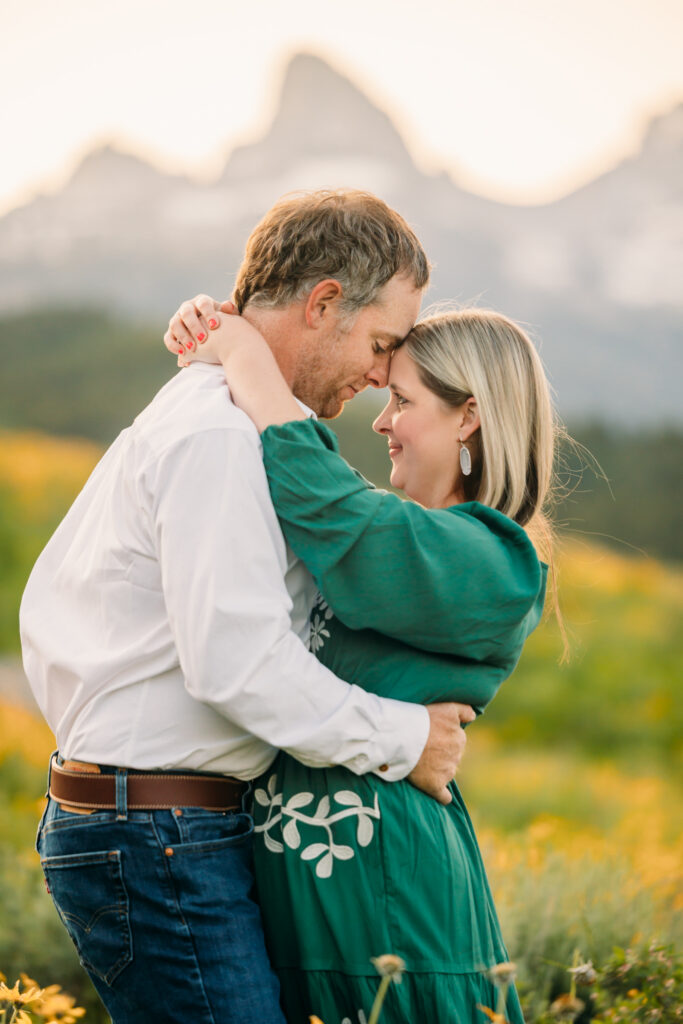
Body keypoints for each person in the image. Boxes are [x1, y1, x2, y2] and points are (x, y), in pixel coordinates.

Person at [19, 190, 477, 1024]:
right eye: (379, 345)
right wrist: (407, 737)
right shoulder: (218, 437)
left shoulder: (230, 418)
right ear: (324, 303)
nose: (379, 375)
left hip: (160, 828)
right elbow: (237, 663)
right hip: (157, 838)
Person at [163, 297, 555, 1023]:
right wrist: (215, 316)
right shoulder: (391, 535)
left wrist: (246, 353)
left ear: (467, 415)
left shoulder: (497, 564)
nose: (379, 421)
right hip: (294, 885)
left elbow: (331, 505)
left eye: (401, 400)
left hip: (383, 893)